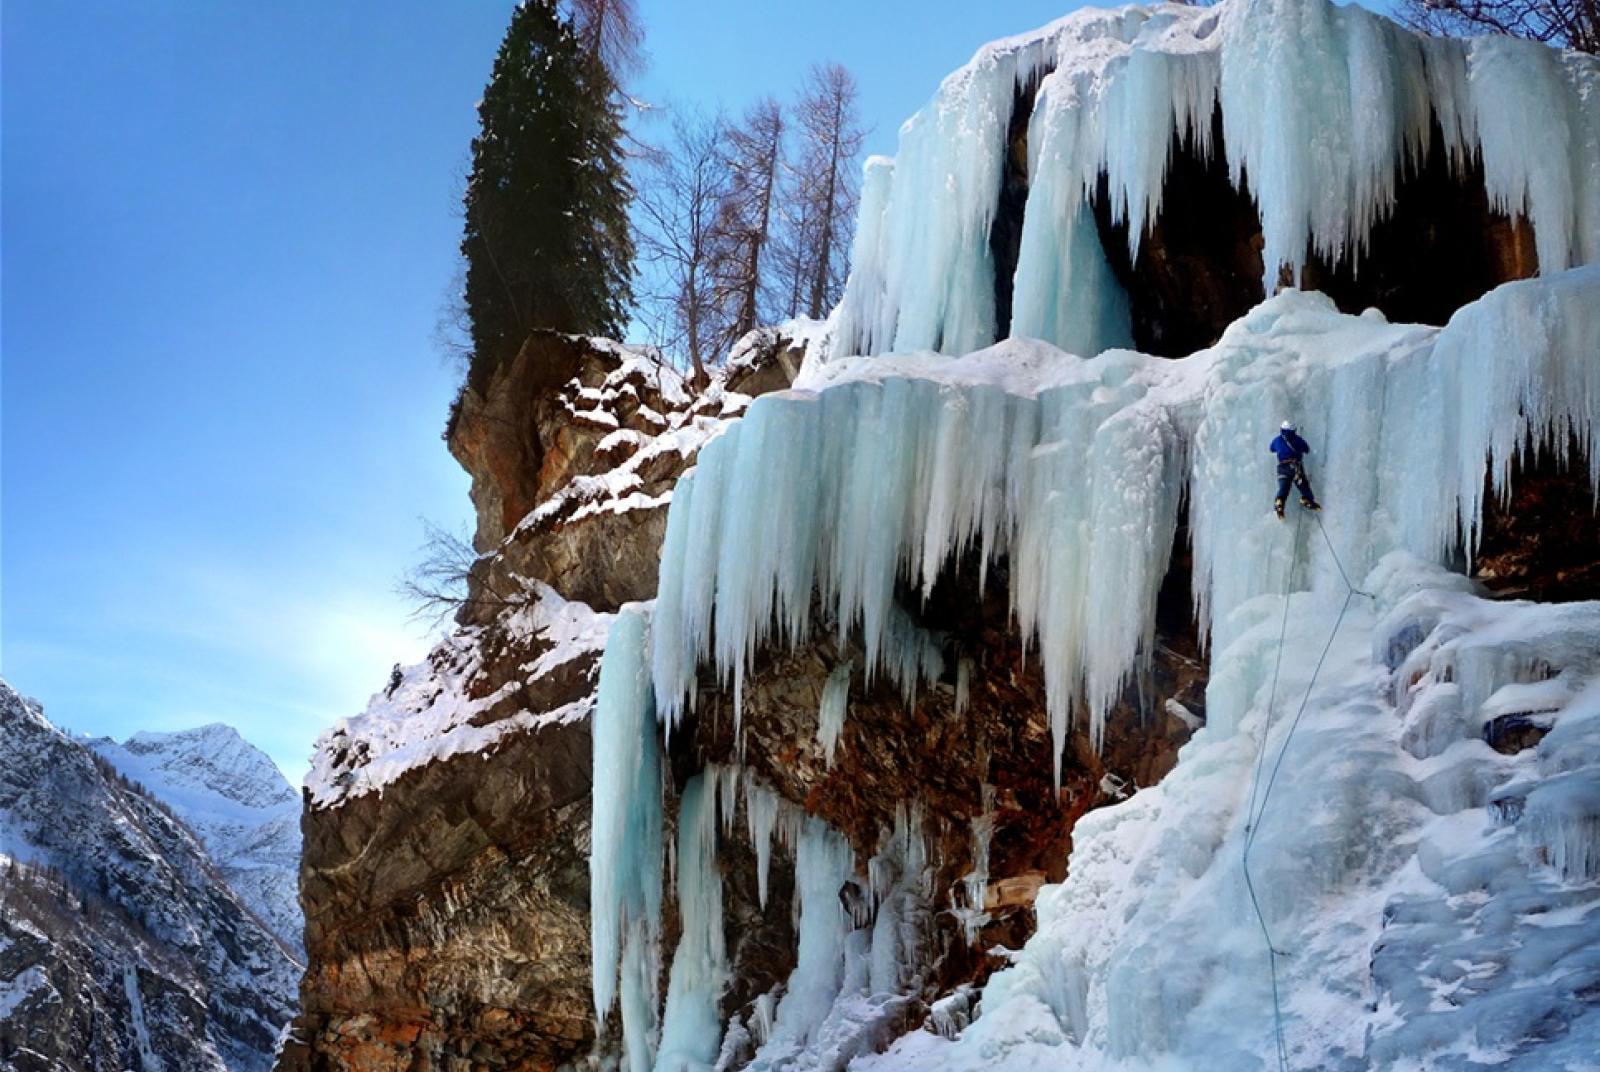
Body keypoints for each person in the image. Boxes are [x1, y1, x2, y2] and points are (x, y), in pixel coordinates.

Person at [1268, 420, 1320, 519]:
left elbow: (1271, 448)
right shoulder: (1297, 439)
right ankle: (1307, 499)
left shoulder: (1277, 440)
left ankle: (1279, 502)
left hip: (1282, 467)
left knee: (1284, 488)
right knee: (1303, 486)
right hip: (1294, 466)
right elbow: (1307, 449)